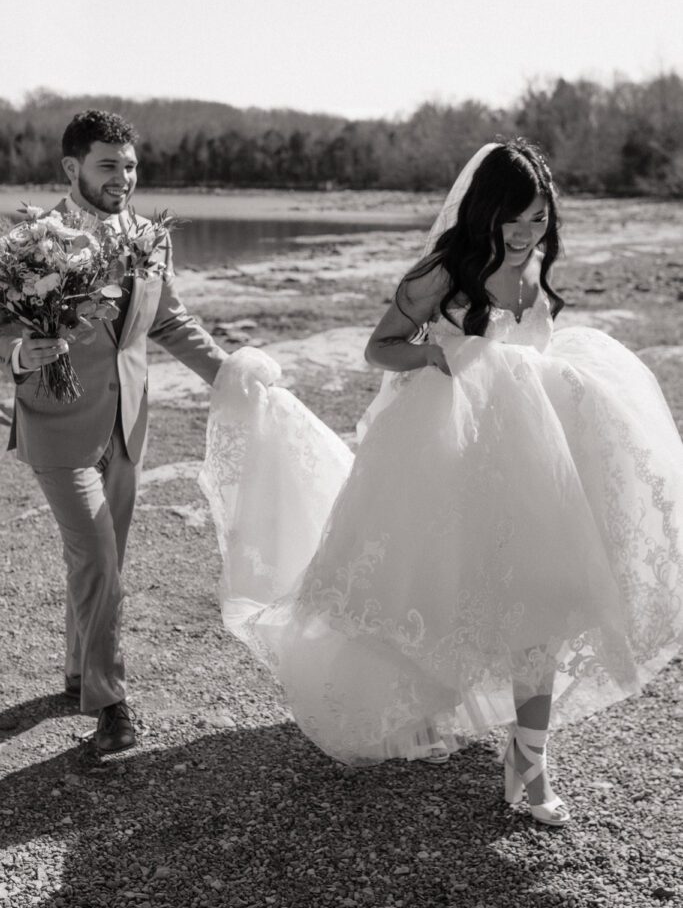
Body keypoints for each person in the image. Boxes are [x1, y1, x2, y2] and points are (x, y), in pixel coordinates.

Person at [200, 139, 683, 826]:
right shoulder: (444, 272)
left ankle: (529, 761)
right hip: (457, 458)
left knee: (544, 605)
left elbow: (534, 352)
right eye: (513, 218)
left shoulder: (539, 266)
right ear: (486, 209)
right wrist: (442, 354)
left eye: (538, 217)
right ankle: (429, 711)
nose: (525, 232)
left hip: (540, 467)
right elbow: (378, 347)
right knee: (448, 595)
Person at [0, 109, 273, 755]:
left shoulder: (152, 236)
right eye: (108, 165)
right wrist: (18, 358)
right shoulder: (31, 240)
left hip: (128, 425)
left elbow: (170, 321)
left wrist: (230, 376)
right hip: (56, 423)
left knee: (100, 561)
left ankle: (77, 674)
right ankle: (111, 704)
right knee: (98, 557)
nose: (123, 176)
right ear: (72, 168)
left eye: (130, 165)